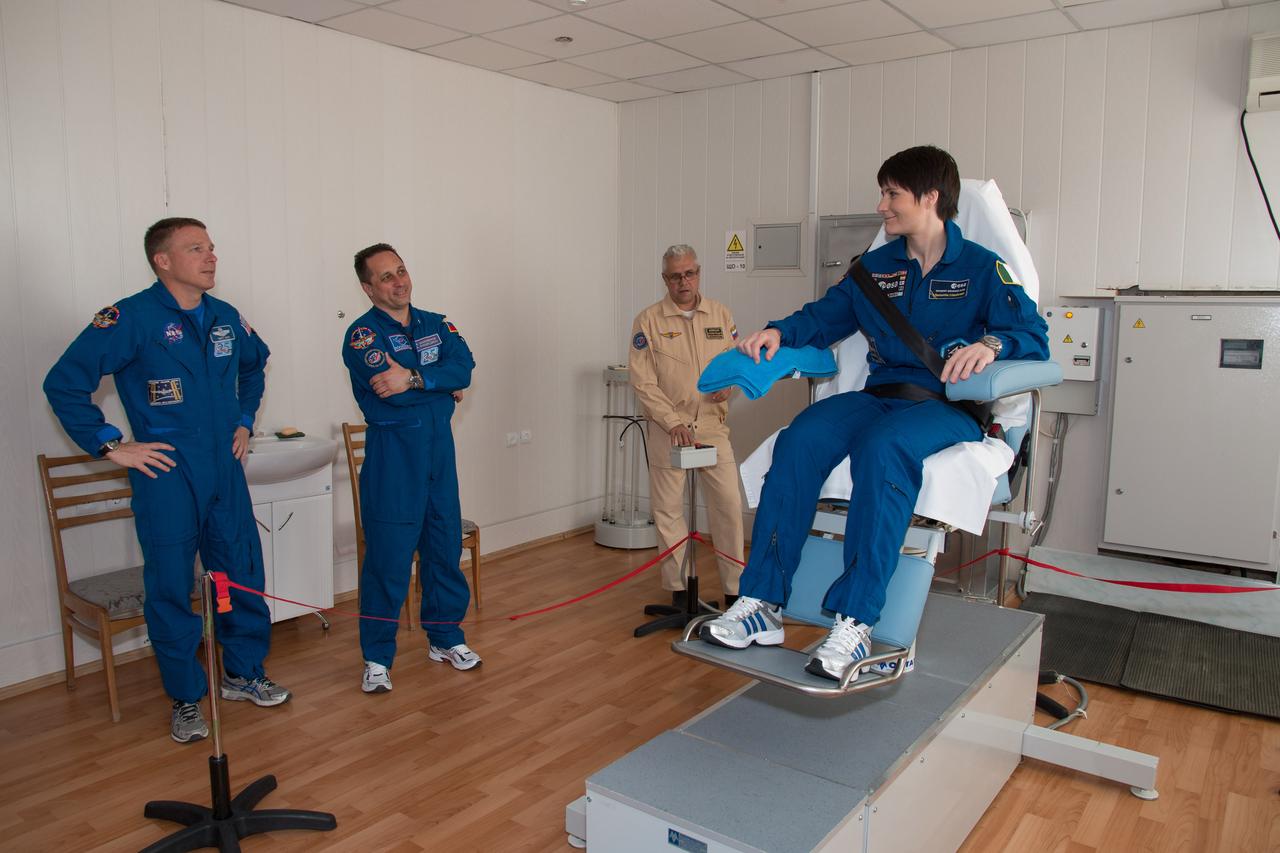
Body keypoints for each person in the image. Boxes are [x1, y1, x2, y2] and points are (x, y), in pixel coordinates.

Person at [701, 146, 1049, 681]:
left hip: (946, 406)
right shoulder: (877, 267)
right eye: (883, 193)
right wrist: (780, 333)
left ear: (930, 197)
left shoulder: (982, 268)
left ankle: (856, 620)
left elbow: (1034, 336)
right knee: (800, 438)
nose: (882, 206)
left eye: (892, 194)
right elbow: (825, 316)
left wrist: (995, 346)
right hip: (880, 393)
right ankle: (762, 605)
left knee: (883, 447)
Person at [44, 217, 290, 744]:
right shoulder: (130, 318)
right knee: (172, 588)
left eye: (211, 247)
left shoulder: (225, 318)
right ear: (163, 260)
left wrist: (245, 420)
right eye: (195, 248)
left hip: (224, 470)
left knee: (241, 573)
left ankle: (243, 673)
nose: (210, 257)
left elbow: (256, 364)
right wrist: (112, 445)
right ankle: (184, 697)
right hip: (168, 473)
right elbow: (64, 382)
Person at [343, 243, 479, 694]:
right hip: (394, 460)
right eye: (385, 276)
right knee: (389, 560)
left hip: (440, 456)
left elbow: (465, 368)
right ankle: (378, 657)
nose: (398, 281)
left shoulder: (436, 323)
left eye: (401, 271)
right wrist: (441, 386)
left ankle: (445, 638)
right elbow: (391, 393)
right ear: (368, 288)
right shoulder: (362, 336)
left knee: (444, 549)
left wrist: (418, 377)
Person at [629, 244, 744, 611]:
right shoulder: (648, 320)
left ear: (698, 273)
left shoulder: (721, 315)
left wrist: (731, 384)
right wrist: (672, 420)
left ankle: (734, 592)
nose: (684, 281)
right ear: (665, 279)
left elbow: (736, 362)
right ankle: (680, 592)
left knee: (727, 506)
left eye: (690, 273)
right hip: (670, 430)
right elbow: (643, 381)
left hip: (711, 426)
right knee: (668, 510)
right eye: (676, 275)